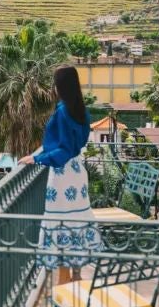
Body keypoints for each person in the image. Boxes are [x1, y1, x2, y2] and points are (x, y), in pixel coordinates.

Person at [19, 65, 101, 285]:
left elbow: (62, 150)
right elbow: (75, 144)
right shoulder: (81, 109)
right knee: (75, 220)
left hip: (63, 173)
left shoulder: (63, 112)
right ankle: (76, 277)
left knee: (62, 222)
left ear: (60, 86)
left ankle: (63, 284)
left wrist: (36, 158)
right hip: (77, 171)